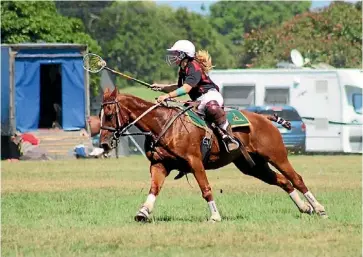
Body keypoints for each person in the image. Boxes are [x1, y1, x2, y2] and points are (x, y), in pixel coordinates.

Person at [153, 40, 239, 153]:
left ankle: (229, 137)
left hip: (210, 96)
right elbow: (180, 86)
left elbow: (186, 88)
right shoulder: (183, 69)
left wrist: (167, 96)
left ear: (184, 54)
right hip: (197, 101)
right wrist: (162, 87)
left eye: (176, 53)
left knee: (211, 107)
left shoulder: (194, 66)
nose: (173, 56)